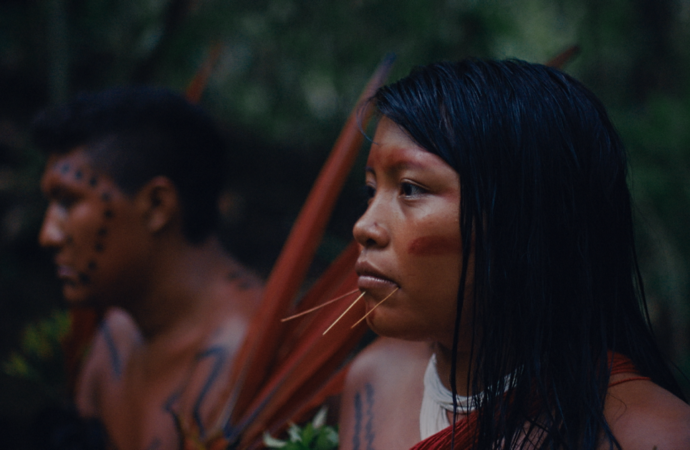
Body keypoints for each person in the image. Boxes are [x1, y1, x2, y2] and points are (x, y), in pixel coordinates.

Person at [338, 59, 690, 449]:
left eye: (410, 188)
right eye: (372, 191)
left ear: (525, 219)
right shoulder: (372, 380)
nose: (365, 226)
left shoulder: (655, 436)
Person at [33, 87, 263, 449]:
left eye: (68, 202)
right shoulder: (117, 335)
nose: (48, 235)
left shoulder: (243, 360)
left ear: (156, 206)